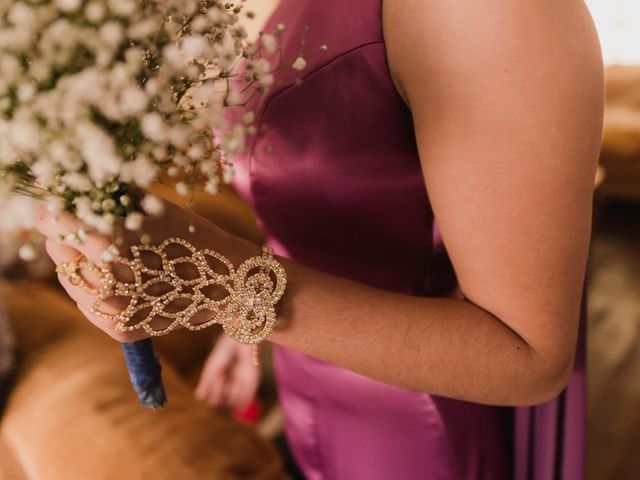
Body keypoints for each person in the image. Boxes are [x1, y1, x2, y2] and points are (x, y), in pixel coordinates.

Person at [38, 0, 604, 478]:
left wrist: (229, 287)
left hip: (425, 436)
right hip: (315, 392)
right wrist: (246, 329)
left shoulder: (485, 13)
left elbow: (530, 356)